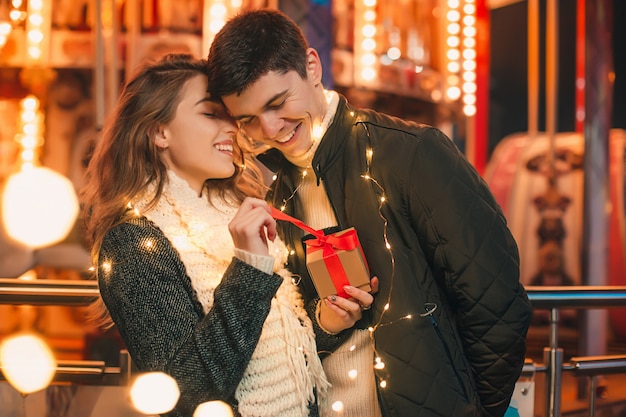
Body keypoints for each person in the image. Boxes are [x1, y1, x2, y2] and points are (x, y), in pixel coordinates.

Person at [206, 9, 532, 417]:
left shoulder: (411, 154)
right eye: (249, 119)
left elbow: (497, 305)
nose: (270, 129)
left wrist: (472, 409)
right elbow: (300, 338)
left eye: (278, 103)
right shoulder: (279, 194)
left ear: (312, 66)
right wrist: (326, 323)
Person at [81, 53, 371, 417]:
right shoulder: (134, 242)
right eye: (209, 113)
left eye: (231, 116)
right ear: (159, 132)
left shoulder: (237, 210)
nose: (232, 128)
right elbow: (186, 393)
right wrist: (249, 267)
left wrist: (326, 322)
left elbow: (276, 349)